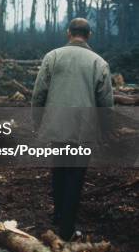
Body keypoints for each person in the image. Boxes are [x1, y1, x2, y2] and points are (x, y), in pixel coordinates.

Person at [32, 18, 113, 240]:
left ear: (69, 32)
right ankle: (66, 230)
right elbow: (105, 103)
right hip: (83, 129)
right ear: (90, 34)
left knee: (58, 170)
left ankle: (58, 216)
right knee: (75, 177)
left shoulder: (53, 56)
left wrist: (37, 121)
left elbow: (39, 93)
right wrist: (106, 132)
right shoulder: (99, 62)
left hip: (57, 125)